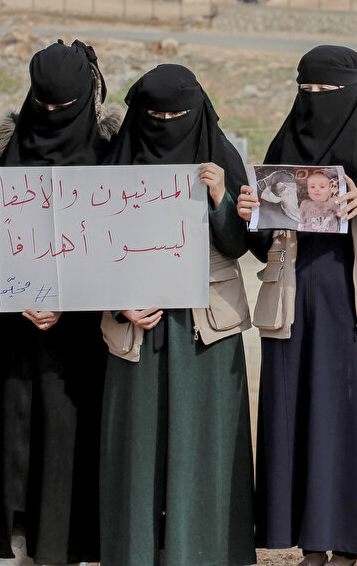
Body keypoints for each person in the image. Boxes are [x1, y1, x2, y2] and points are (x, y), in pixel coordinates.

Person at [238, 45, 357, 566]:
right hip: (292, 300)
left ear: (353, 92)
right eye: (306, 91)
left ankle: (348, 543)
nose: (315, 101)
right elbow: (262, 244)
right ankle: (310, 543)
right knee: (297, 416)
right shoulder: (286, 143)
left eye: (328, 92)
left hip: (354, 304)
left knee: (352, 420)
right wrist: (251, 215)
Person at [99, 64, 256, 566]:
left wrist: (219, 198)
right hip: (137, 328)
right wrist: (116, 303)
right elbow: (86, 248)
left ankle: (203, 551)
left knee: (203, 442)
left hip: (205, 328)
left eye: (177, 114)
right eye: (155, 114)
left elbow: (239, 245)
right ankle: (137, 552)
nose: (166, 122)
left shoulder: (223, 162)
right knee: (137, 449)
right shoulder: (113, 168)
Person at [0, 40, 122, 566]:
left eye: (66, 106)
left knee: (71, 427)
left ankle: (75, 540)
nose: (53, 116)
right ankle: (14, 537)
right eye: (45, 105)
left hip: (83, 323)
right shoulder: (8, 148)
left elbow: (116, 234)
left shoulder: (112, 150)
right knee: (14, 424)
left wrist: (69, 299)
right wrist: (23, 297)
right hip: (17, 318)